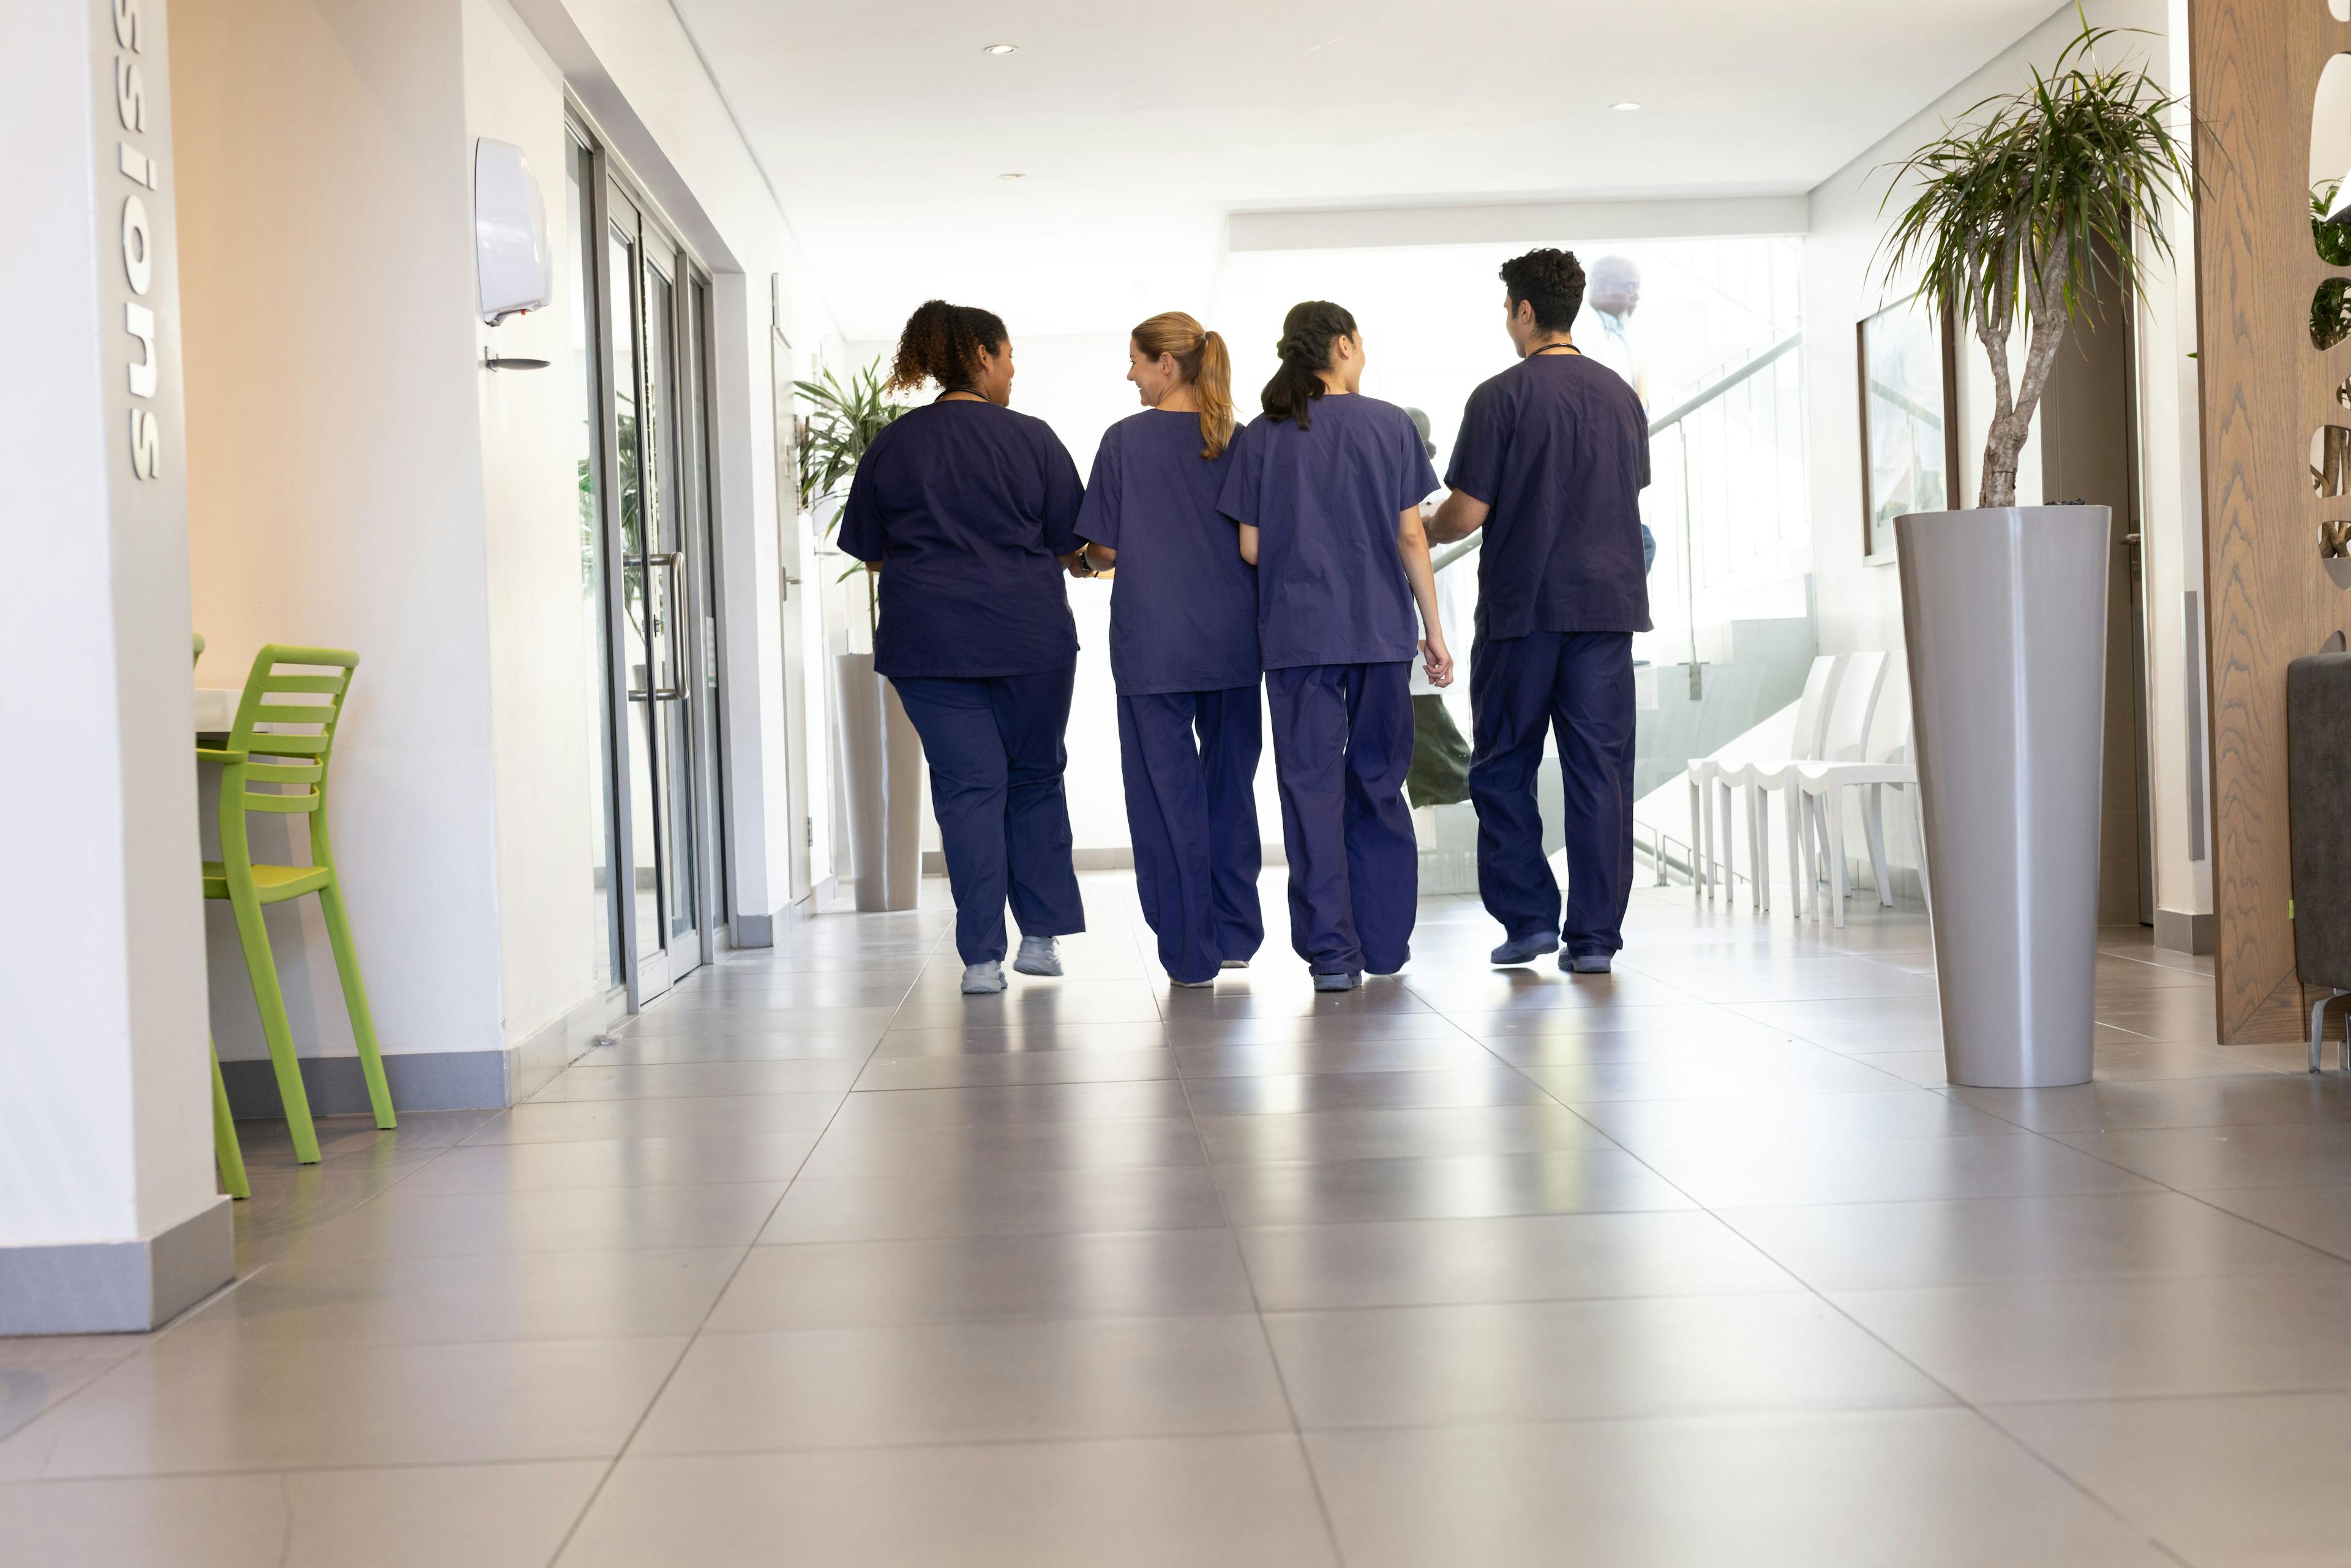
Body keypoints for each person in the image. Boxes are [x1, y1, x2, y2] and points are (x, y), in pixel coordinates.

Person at [838, 299, 1088, 995]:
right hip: (1029, 638)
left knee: (968, 788)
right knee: (1034, 776)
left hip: (930, 643)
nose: (1012, 372)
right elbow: (1074, 548)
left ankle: (981, 958)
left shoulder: (894, 444)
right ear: (982, 356)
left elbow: (875, 556)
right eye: (1007, 357)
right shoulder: (1034, 439)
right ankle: (1039, 938)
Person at [1426, 249, 1651, 974]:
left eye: (1506, 309)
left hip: (1524, 612)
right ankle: (1593, 941)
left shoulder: (1500, 397)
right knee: (1600, 773)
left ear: (1524, 311)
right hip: (1606, 611)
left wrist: (1421, 526)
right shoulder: (1620, 397)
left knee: (1501, 767)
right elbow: (1627, 494)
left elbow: (1466, 514)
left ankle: (1527, 921)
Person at [1219, 301, 1452, 991]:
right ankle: (1384, 945)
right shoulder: (1391, 425)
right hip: (1380, 634)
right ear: (1344, 345)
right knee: (1379, 783)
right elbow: (1413, 537)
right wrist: (1434, 632)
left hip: (1297, 637)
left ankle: (1331, 956)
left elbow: (1251, 546)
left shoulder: (1263, 435)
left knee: (1310, 789)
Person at [1072, 312, 1262, 988]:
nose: (1130, 373)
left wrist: (1088, 562)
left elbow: (1107, 550)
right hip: (1236, 643)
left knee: (1166, 797)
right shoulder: (1242, 443)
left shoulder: (1125, 442)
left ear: (1167, 365)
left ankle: (1190, 951)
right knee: (1230, 788)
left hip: (1154, 646)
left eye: (1135, 361)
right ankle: (1237, 932)